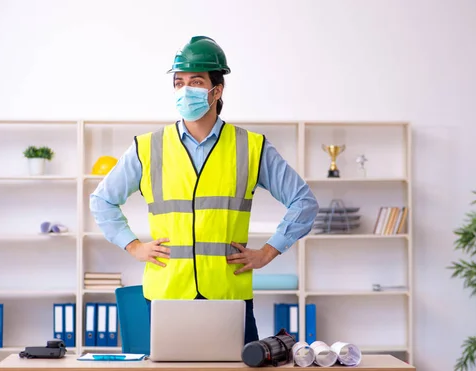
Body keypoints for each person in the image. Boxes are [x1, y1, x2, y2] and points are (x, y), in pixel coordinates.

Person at [89, 36, 319, 345]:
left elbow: (304, 202)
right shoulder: (147, 147)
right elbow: (102, 200)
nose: (185, 90)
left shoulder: (251, 147)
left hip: (228, 295)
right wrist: (133, 246)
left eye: (195, 82)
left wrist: (268, 251)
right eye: (179, 82)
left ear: (217, 90)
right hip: (166, 295)